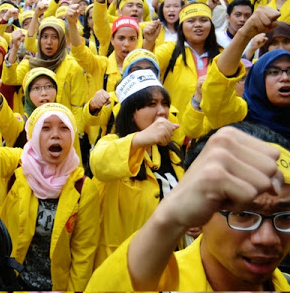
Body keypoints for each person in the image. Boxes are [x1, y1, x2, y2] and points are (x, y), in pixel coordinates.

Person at [87, 122, 290, 291]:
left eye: (285, 216)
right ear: (201, 213)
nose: (267, 239)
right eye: (243, 214)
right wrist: (168, 218)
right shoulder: (161, 285)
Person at [0, 103, 99, 290]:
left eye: (64, 128)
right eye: (45, 128)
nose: (55, 134)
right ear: (33, 135)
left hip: (57, 286)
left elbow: (83, 253)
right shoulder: (17, 168)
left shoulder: (83, 188)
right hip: (12, 282)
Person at [90, 70, 184, 267]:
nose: (162, 111)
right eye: (151, 104)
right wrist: (141, 139)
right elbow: (99, 164)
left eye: (164, 103)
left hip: (170, 262)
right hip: (125, 265)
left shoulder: (171, 153)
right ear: (131, 113)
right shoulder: (112, 142)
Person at [201, 6, 290, 140]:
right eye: (273, 72)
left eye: (289, 71)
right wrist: (244, 35)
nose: (285, 78)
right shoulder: (241, 116)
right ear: (258, 80)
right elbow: (217, 96)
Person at [143, 2, 221, 124]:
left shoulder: (222, 55)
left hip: (213, 130)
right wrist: (149, 42)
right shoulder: (170, 50)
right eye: (191, 21)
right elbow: (144, 66)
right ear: (181, 26)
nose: (198, 25)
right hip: (176, 130)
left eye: (203, 20)